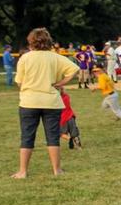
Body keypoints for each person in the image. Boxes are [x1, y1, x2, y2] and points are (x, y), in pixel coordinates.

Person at [12, 27, 79, 178]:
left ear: (31, 41)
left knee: (27, 136)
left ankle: (23, 171)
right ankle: (57, 170)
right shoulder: (55, 57)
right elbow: (74, 69)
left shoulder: (25, 58)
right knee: (53, 137)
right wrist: (61, 83)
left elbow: (19, 82)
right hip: (51, 102)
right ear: (48, 41)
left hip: (29, 102)